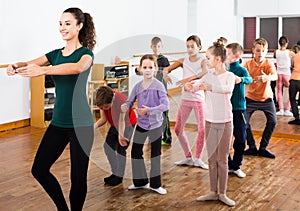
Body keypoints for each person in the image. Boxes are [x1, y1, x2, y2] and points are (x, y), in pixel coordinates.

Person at [6, 7, 96, 210]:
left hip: (81, 124)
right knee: (39, 169)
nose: (62, 28)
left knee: (78, 178)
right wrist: (15, 66)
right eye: (60, 24)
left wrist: (44, 70)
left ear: (79, 26)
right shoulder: (55, 54)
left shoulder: (86, 54)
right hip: (59, 123)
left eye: (68, 23)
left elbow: (77, 68)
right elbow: (28, 63)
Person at [185, 40, 236, 206]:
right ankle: (213, 191)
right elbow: (197, 86)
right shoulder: (208, 75)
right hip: (209, 122)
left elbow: (226, 89)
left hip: (225, 122)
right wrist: (190, 86)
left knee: (222, 160)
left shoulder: (229, 76)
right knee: (212, 159)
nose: (206, 60)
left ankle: (222, 193)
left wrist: (208, 86)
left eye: (208, 57)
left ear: (218, 60)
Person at [121, 54, 169, 195]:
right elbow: (129, 101)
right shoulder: (137, 87)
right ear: (140, 69)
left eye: (150, 67)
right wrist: (125, 106)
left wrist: (149, 111)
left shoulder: (159, 85)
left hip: (155, 125)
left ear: (155, 68)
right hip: (141, 125)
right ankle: (140, 182)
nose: (147, 70)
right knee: (135, 152)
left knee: (155, 155)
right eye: (145, 67)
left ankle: (156, 185)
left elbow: (165, 105)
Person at [163, 35, 208, 169]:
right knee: (177, 129)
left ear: (199, 47)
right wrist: (165, 74)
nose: (189, 49)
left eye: (192, 46)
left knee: (202, 130)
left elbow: (204, 73)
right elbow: (166, 69)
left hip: (198, 99)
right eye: (187, 46)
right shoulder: (183, 60)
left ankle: (198, 158)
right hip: (185, 99)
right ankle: (188, 157)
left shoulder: (203, 61)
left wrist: (187, 80)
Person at [94, 86, 137, 186]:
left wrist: (121, 136)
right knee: (107, 147)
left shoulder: (122, 101)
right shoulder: (102, 99)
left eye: (106, 107)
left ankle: (119, 177)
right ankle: (115, 173)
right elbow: (103, 119)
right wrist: (92, 127)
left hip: (127, 124)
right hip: (114, 124)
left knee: (121, 149)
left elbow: (122, 121)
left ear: (112, 100)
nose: (104, 109)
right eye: (103, 107)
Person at [243, 38, 277, 159]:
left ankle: (263, 148)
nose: (260, 53)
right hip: (251, 98)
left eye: (263, 50)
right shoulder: (247, 64)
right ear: (253, 50)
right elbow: (241, 76)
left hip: (267, 99)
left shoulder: (269, 63)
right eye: (258, 50)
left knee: (273, 122)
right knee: (243, 122)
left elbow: (275, 76)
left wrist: (267, 77)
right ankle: (252, 147)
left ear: (266, 51)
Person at [226, 43, 253, 178]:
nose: (225, 56)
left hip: (239, 109)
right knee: (224, 139)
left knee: (241, 137)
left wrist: (240, 80)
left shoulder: (241, 70)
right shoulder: (223, 69)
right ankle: (228, 164)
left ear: (236, 56)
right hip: (225, 109)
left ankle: (236, 165)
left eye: (228, 53)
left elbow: (250, 79)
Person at [150, 36, 172, 145]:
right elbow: (141, 70)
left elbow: (167, 71)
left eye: (158, 46)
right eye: (154, 46)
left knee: (164, 114)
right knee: (152, 113)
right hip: (151, 91)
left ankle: (167, 138)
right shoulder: (149, 59)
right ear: (151, 47)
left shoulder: (164, 60)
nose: (156, 48)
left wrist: (166, 75)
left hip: (162, 91)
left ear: (161, 47)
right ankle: (154, 137)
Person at [273, 36, 294, 116]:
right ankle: (288, 109)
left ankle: (281, 109)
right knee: (292, 91)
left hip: (278, 73)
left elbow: (274, 57)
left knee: (279, 91)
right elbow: (295, 58)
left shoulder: (276, 52)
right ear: (287, 43)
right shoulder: (289, 52)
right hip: (287, 74)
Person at [288, 45, 300, 125]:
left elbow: (292, 65)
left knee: (292, 99)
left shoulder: (296, 55)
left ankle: (296, 118)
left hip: (293, 80)